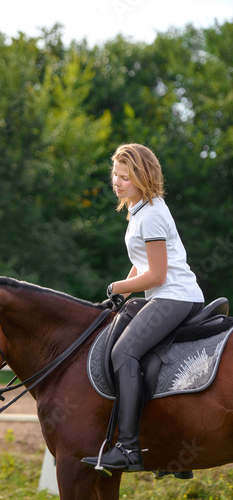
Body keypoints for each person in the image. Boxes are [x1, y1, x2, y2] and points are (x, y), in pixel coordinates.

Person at [81, 143, 204, 473]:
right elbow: (141, 265)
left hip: (173, 295)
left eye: (125, 177)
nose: (117, 183)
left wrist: (116, 287)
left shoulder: (150, 216)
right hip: (164, 295)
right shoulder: (140, 209)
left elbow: (158, 274)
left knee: (125, 354)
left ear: (142, 177)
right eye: (115, 176)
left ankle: (129, 449)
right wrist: (124, 289)